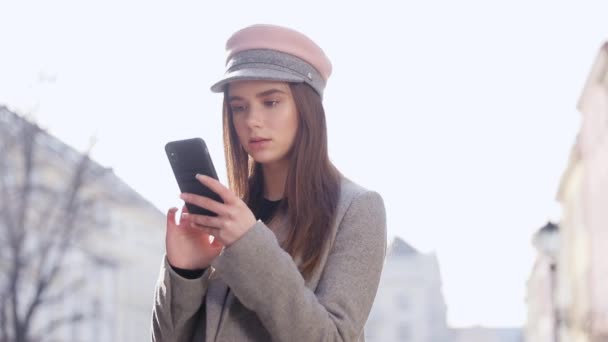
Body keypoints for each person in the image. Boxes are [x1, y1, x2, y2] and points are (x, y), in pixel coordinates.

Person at [151, 24, 387, 342]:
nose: (252, 121)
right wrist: (185, 272)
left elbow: (333, 338)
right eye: (239, 107)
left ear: (307, 109)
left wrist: (249, 243)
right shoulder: (231, 216)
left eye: (271, 102)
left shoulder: (358, 209)